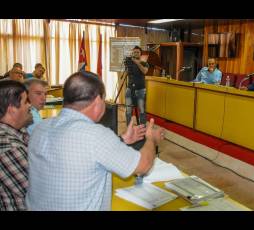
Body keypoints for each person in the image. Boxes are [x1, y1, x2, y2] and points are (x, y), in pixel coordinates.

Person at [25, 71, 164, 211]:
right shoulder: (95, 135)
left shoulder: (40, 128)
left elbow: (84, 152)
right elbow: (144, 166)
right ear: (98, 101)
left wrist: (122, 140)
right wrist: (151, 139)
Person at [0, 80, 32, 211]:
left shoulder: (18, 132)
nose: (30, 106)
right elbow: (41, 191)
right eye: (26, 102)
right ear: (12, 109)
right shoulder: (9, 146)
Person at [125, 45, 149, 126]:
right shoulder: (129, 63)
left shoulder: (145, 63)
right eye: (134, 52)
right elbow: (127, 72)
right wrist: (131, 62)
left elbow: (144, 71)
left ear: (140, 54)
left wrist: (137, 63)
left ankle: (142, 129)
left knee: (142, 110)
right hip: (129, 89)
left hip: (141, 90)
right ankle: (129, 128)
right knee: (128, 110)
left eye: (137, 52)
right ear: (132, 53)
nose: (136, 53)